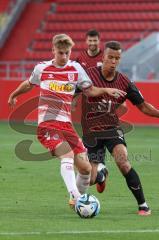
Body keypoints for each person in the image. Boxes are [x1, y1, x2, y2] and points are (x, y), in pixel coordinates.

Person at [8, 34, 126, 208]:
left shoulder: (76, 69)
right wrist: (13, 95)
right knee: (67, 154)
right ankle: (77, 197)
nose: (64, 57)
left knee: (86, 169)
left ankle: (77, 203)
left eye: (67, 53)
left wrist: (106, 90)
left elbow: (90, 90)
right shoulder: (42, 68)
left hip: (67, 126)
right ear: (53, 50)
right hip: (47, 125)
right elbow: (28, 83)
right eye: (61, 53)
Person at [78, 40, 159, 216]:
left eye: (117, 58)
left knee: (122, 161)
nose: (113, 61)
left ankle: (143, 205)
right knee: (89, 179)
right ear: (103, 57)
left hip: (112, 129)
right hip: (91, 132)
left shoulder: (124, 82)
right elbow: (72, 92)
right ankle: (101, 174)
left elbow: (144, 106)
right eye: (110, 57)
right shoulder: (87, 75)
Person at [75, 29, 127, 193]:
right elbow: (78, 83)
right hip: (89, 109)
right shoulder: (80, 59)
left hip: (106, 107)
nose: (92, 43)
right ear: (86, 42)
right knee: (89, 176)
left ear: (99, 42)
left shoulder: (106, 57)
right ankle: (101, 174)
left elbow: (114, 79)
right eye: (89, 41)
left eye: (95, 41)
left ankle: (76, 194)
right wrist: (74, 100)